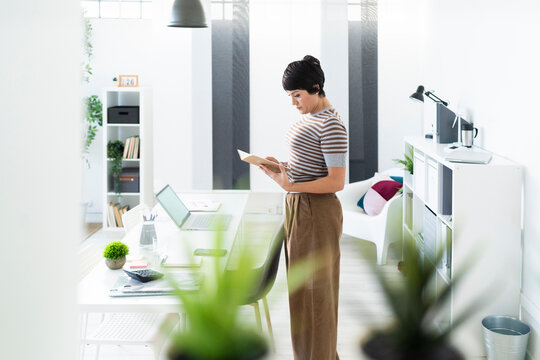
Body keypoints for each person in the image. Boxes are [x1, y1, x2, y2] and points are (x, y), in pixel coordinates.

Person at [259, 55, 348, 360]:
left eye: (297, 95)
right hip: (299, 206)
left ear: (316, 86)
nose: (294, 102)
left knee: (317, 295)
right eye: (289, 96)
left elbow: (336, 181)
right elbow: (310, 166)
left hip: (316, 210)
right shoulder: (312, 118)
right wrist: (280, 169)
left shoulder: (332, 125)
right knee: (302, 294)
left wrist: (292, 185)